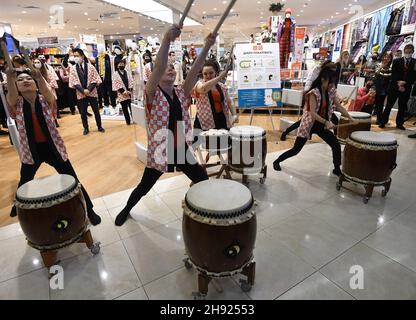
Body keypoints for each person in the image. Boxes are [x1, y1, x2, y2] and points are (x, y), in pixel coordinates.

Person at [114, 24, 216, 226]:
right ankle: (126, 209)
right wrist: (166, 39)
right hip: (161, 151)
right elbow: (159, 65)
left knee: (202, 179)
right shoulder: (152, 93)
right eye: (165, 68)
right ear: (156, 75)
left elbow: (195, 69)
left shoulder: (180, 93)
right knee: (144, 186)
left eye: (172, 68)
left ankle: (209, 210)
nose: (169, 69)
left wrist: (207, 46)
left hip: (181, 149)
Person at [1, 45, 101, 225]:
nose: (25, 81)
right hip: (30, 151)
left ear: (36, 83)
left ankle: (90, 210)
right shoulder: (16, 105)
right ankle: (18, 204)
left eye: (28, 79)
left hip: (52, 148)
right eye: (20, 79)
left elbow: (45, 88)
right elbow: (11, 93)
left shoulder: (45, 99)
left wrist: (37, 74)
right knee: (25, 179)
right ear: (16, 85)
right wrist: (10, 76)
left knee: (73, 179)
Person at [273, 63, 355, 176]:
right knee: (296, 150)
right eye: (329, 82)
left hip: (321, 125)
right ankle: (277, 161)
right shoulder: (313, 93)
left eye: (332, 82)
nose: (332, 85)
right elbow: (312, 114)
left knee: (335, 145)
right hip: (309, 124)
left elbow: (339, 106)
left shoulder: (330, 91)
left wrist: (350, 118)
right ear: (323, 79)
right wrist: (327, 122)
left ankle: (337, 169)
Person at [281, 60, 340, 141]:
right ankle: (286, 132)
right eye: (333, 70)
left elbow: (329, 88)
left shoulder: (325, 75)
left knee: (331, 119)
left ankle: (334, 138)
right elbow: (313, 86)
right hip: (313, 96)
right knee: (305, 120)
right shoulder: (320, 73)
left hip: (316, 96)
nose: (334, 73)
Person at [192, 60, 238, 133]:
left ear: (215, 72)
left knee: (222, 141)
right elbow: (203, 89)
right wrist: (219, 77)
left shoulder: (221, 86)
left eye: (211, 73)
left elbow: (229, 102)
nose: (208, 76)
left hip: (221, 118)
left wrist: (234, 115)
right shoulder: (199, 84)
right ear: (202, 75)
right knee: (205, 142)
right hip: (205, 120)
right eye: (205, 74)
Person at [379, 44, 416, 130]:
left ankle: (399, 124)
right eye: (406, 52)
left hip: (406, 88)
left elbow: (414, 76)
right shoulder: (396, 61)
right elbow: (394, 74)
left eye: (410, 52)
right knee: (388, 105)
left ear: (412, 52)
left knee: (402, 107)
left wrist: (405, 83)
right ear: (404, 51)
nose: (408, 53)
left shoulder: (415, 62)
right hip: (394, 87)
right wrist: (399, 84)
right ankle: (383, 122)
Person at [69, 48, 105, 135]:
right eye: (74, 56)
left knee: (96, 111)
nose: (75, 58)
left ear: (82, 56)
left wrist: (88, 90)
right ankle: (86, 128)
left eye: (77, 56)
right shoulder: (73, 69)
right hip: (81, 93)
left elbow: (95, 79)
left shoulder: (91, 67)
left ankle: (99, 126)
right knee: (83, 113)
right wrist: (83, 90)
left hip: (91, 92)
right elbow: (74, 82)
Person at [112, 59, 133, 125]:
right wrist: (123, 91)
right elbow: (116, 83)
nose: (121, 65)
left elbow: (131, 81)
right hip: (121, 94)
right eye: (120, 64)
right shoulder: (115, 74)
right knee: (124, 108)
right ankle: (128, 121)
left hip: (129, 94)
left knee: (131, 108)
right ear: (117, 65)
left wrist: (129, 90)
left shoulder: (127, 72)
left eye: (123, 64)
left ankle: (135, 120)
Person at [373, 52, 393, 124]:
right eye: (385, 56)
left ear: (390, 58)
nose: (386, 58)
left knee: (382, 103)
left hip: (386, 87)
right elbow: (376, 74)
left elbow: (389, 75)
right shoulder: (378, 64)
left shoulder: (391, 66)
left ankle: (381, 119)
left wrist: (382, 74)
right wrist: (381, 67)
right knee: (377, 103)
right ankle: (378, 118)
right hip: (377, 85)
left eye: (388, 57)